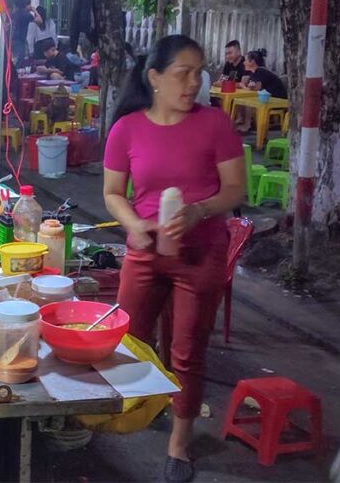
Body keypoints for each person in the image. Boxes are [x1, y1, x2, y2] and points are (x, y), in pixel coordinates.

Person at [102, 35, 245, 483]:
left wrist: (200, 210)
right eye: (183, 73)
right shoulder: (126, 128)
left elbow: (236, 190)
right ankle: (139, 409)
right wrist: (134, 224)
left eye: (199, 72)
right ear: (155, 78)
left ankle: (179, 446)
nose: (194, 83)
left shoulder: (214, 125)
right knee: (129, 339)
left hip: (199, 254)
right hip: (144, 253)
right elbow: (111, 193)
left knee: (186, 353)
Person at [10, 0, 34, 64]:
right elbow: (40, 21)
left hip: (14, 39)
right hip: (20, 40)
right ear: (26, 5)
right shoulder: (26, 14)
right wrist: (34, 10)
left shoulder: (15, 14)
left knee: (16, 59)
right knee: (19, 60)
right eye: (30, 5)